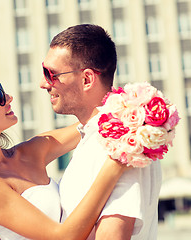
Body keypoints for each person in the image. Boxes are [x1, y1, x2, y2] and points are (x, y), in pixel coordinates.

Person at [0, 68, 129, 240]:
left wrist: (138, 107)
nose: (8, 97)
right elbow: (64, 236)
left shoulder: (30, 151)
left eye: (1, 88)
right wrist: (114, 166)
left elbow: (94, 125)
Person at [39, 24, 162, 240]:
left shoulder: (124, 143)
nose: (43, 83)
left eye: (51, 74)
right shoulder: (92, 137)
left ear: (87, 79)